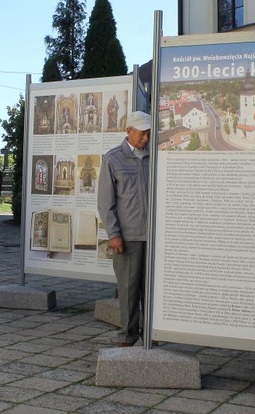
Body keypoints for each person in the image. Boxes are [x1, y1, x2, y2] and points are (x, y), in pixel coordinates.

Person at [97, 110, 152, 346]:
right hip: (127, 237)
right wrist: (114, 234)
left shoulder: (156, 157)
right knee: (128, 289)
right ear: (129, 131)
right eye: (142, 134)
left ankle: (152, 334)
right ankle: (129, 335)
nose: (146, 139)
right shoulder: (112, 159)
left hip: (154, 237)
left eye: (149, 134)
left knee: (151, 290)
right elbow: (105, 202)